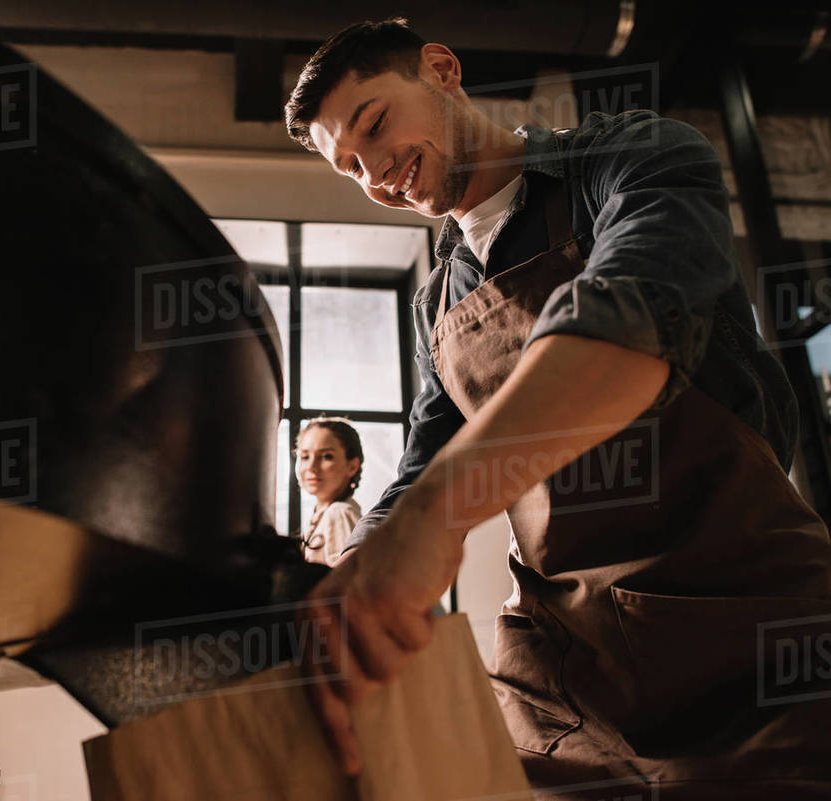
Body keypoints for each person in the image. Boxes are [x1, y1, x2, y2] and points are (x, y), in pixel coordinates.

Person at [283, 17, 831, 797]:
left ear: (440, 70)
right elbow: (421, 465)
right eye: (350, 167)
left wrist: (437, 514)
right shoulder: (438, 300)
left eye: (374, 123)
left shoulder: (631, 156)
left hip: (747, 618)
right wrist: (349, 576)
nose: (376, 172)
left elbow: (629, 322)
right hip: (564, 654)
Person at [293, 417, 363, 567]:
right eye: (305, 457)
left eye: (326, 456)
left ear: (352, 466)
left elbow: (345, 583)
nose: (311, 466)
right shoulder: (324, 513)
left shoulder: (339, 513)